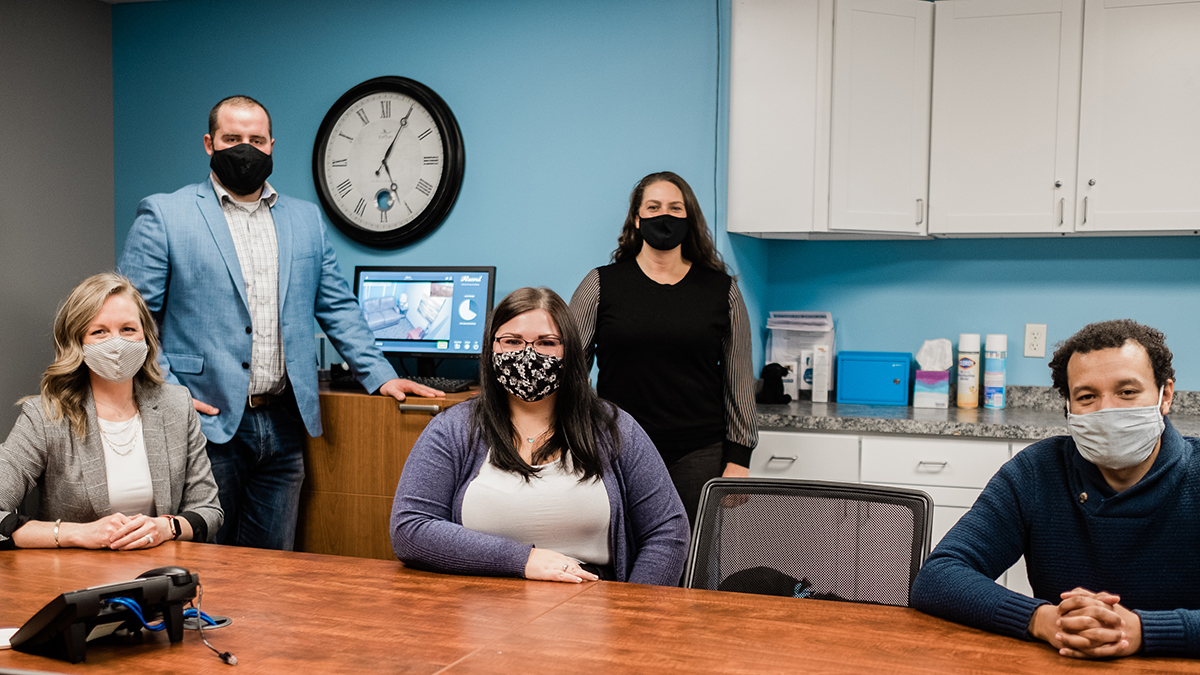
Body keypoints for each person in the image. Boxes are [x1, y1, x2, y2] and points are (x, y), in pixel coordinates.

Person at [118, 95, 441, 551]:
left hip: (285, 422)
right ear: (210, 144)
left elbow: (337, 307)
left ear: (271, 145)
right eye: (232, 139)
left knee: (275, 570)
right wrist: (169, 394)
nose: (244, 149)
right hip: (205, 422)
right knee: (203, 560)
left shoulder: (305, 219)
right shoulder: (165, 215)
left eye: (255, 139)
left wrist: (382, 376)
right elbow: (131, 323)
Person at [911, 319, 1200, 659]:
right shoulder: (1036, 472)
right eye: (1087, 396)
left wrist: (1141, 631)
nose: (1107, 410)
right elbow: (938, 576)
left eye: (1127, 392)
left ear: (1165, 396)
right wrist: (1042, 619)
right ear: (1068, 408)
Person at [391, 287, 689, 585]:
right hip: (479, 609)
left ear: (569, 350)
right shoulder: (453, 429)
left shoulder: (614, 428)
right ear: (490, 348)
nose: (527, 355)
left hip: (592, 609)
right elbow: (411, 528)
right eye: (512, 341)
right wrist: (524, 560)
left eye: (546, 343)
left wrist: (636, 611)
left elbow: (667, 530)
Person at [569, 171, 757, 527]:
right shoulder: (600, 284)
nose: (664, 216)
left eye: (675, 207)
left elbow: (739, 381)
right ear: (637, 219)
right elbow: (569, 372)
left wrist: (739, 459)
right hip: (618, 447)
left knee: (690, 562)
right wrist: (571, 439)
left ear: (690, 219)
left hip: (699, 453)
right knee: (622, 559)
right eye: (653, 207)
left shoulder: (721, 290)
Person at [0, 273, 222, 550]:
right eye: (99, 331)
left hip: (158, 575)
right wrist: (76, 534)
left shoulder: (177, 405)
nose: (116, 343)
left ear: (146, 338)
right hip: (74, 581)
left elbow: (209, 509)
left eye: (128, 329)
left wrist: (166, 527)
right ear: (77, 343)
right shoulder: (46, 415)